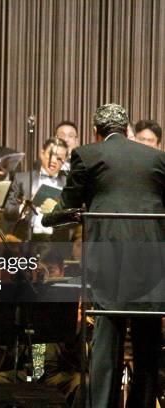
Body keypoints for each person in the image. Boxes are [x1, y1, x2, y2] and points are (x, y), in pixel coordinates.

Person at [46, 103, 165, 408]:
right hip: (152, 260)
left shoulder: (87, 154)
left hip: (110, 259)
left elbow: (68, 204)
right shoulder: (157, 157)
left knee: (106, 344)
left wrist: (53, 217)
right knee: (147, 346)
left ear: (96, 133)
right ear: (127, 129)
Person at [3, 137, 68, 241]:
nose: (53, 161)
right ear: (42, 153)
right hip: (26, 239)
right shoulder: (22, 179)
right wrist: (22, 208)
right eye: (50, 155)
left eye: (59, 158)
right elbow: (8, 210)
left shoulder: (68, 183)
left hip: (56, 242)